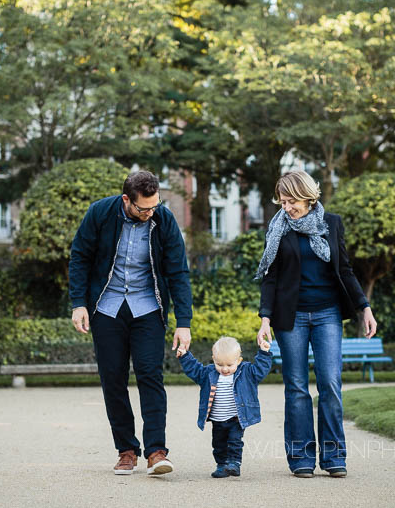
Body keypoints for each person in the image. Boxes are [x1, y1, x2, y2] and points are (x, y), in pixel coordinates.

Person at [69, 171, 193, 476]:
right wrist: (78, 303)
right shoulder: (100, 212)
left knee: (151, 375)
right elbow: (80, 257)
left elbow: (178, 271)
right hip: (107, 308)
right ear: (127, 200)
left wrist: (184, 321)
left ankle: (156, 451)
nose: (150, 212)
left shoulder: (163, 220)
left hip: (147, 308)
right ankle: (126, 450)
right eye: (143, 208)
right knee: (113, 379)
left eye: (154, 206)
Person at [255, 170, 377, 479]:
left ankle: (335, 456)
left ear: (308, 197)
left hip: (327, 315)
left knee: (330, 384)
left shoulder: (331, 223)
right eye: (282, 202)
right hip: (290, 318)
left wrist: (364, 307)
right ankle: (301, 459)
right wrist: (265, 318)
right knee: (296, 388)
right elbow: (271, 276)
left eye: (291, 201)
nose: (286, 208)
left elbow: (345, 269)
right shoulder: (278, 229)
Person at [177, 336, 272, 478]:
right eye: (220, 364)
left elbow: (260, 370)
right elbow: (194, 370)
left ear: (238, 361)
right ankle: (221, 465)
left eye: (229, 365)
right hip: (217, 419)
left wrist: (264, 353)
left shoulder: (246, 372)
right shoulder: (208, 373)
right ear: (213, 360)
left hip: (236, 418)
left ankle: (234, 463)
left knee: (235, 441)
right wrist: (185, 356)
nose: (225, 369)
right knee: (218, 444)